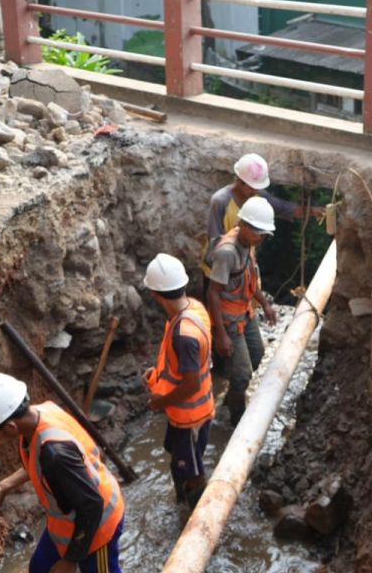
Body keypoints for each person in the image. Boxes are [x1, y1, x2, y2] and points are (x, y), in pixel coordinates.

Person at [0, 373, 124, 573]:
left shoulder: (56, 455)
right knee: (41, 568)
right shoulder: (40, 416)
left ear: (11, 427)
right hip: (68, 519)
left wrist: (70, 561)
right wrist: (5, 486)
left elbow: (92, 506)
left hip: (98, 525)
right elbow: (38, 463)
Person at [142, 253, 214, 510]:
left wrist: (161, 400)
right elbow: (180, 363)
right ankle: (181, 500)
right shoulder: (194, 308)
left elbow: (191, 384)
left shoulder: (185, 334)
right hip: (185, 412)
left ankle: (191, 517)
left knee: (193, 471)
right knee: (179, 458)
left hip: (190, 416)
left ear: (155, 293)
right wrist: (157, 374)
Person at [206, 196, 277, 425]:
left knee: (257, 356)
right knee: (243, 374)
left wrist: (265, 304)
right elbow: (212, 293)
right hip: (229, 319)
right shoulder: (227, 253)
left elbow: (251, 280)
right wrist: (221, 334)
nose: (262, 238)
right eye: (259, 233)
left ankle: (229, 397)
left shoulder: (249, 245)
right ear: (244, 225)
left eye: (264, 234)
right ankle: (234, 417)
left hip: (246, 311)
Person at [200, 152, 322, 284]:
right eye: (252, 188)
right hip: (220, 265)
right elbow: (215, 239)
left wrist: (313, 211)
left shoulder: (258, 195)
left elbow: (283, 208)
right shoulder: (221, 201)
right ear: (240, 182)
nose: (255, 192)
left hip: (244, 262)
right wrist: (230, 269)